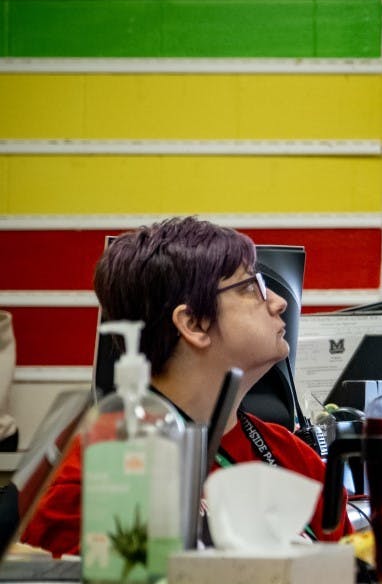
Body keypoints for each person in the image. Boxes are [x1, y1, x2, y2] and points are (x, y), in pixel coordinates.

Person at [23, 216, 352, 556]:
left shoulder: (298, 461)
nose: (279, 302)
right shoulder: (100, 474)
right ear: (193, 323)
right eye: (249, 288)